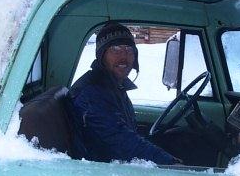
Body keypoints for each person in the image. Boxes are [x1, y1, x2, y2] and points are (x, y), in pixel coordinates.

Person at [69, 21, 179, 165]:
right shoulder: (91, 93)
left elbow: (126, 132)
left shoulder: (114, 86)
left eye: (128, 49)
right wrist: (170, 163)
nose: (123, 56)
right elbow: (122, 141)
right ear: (102, 55)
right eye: (115, 49)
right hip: (101, 175)